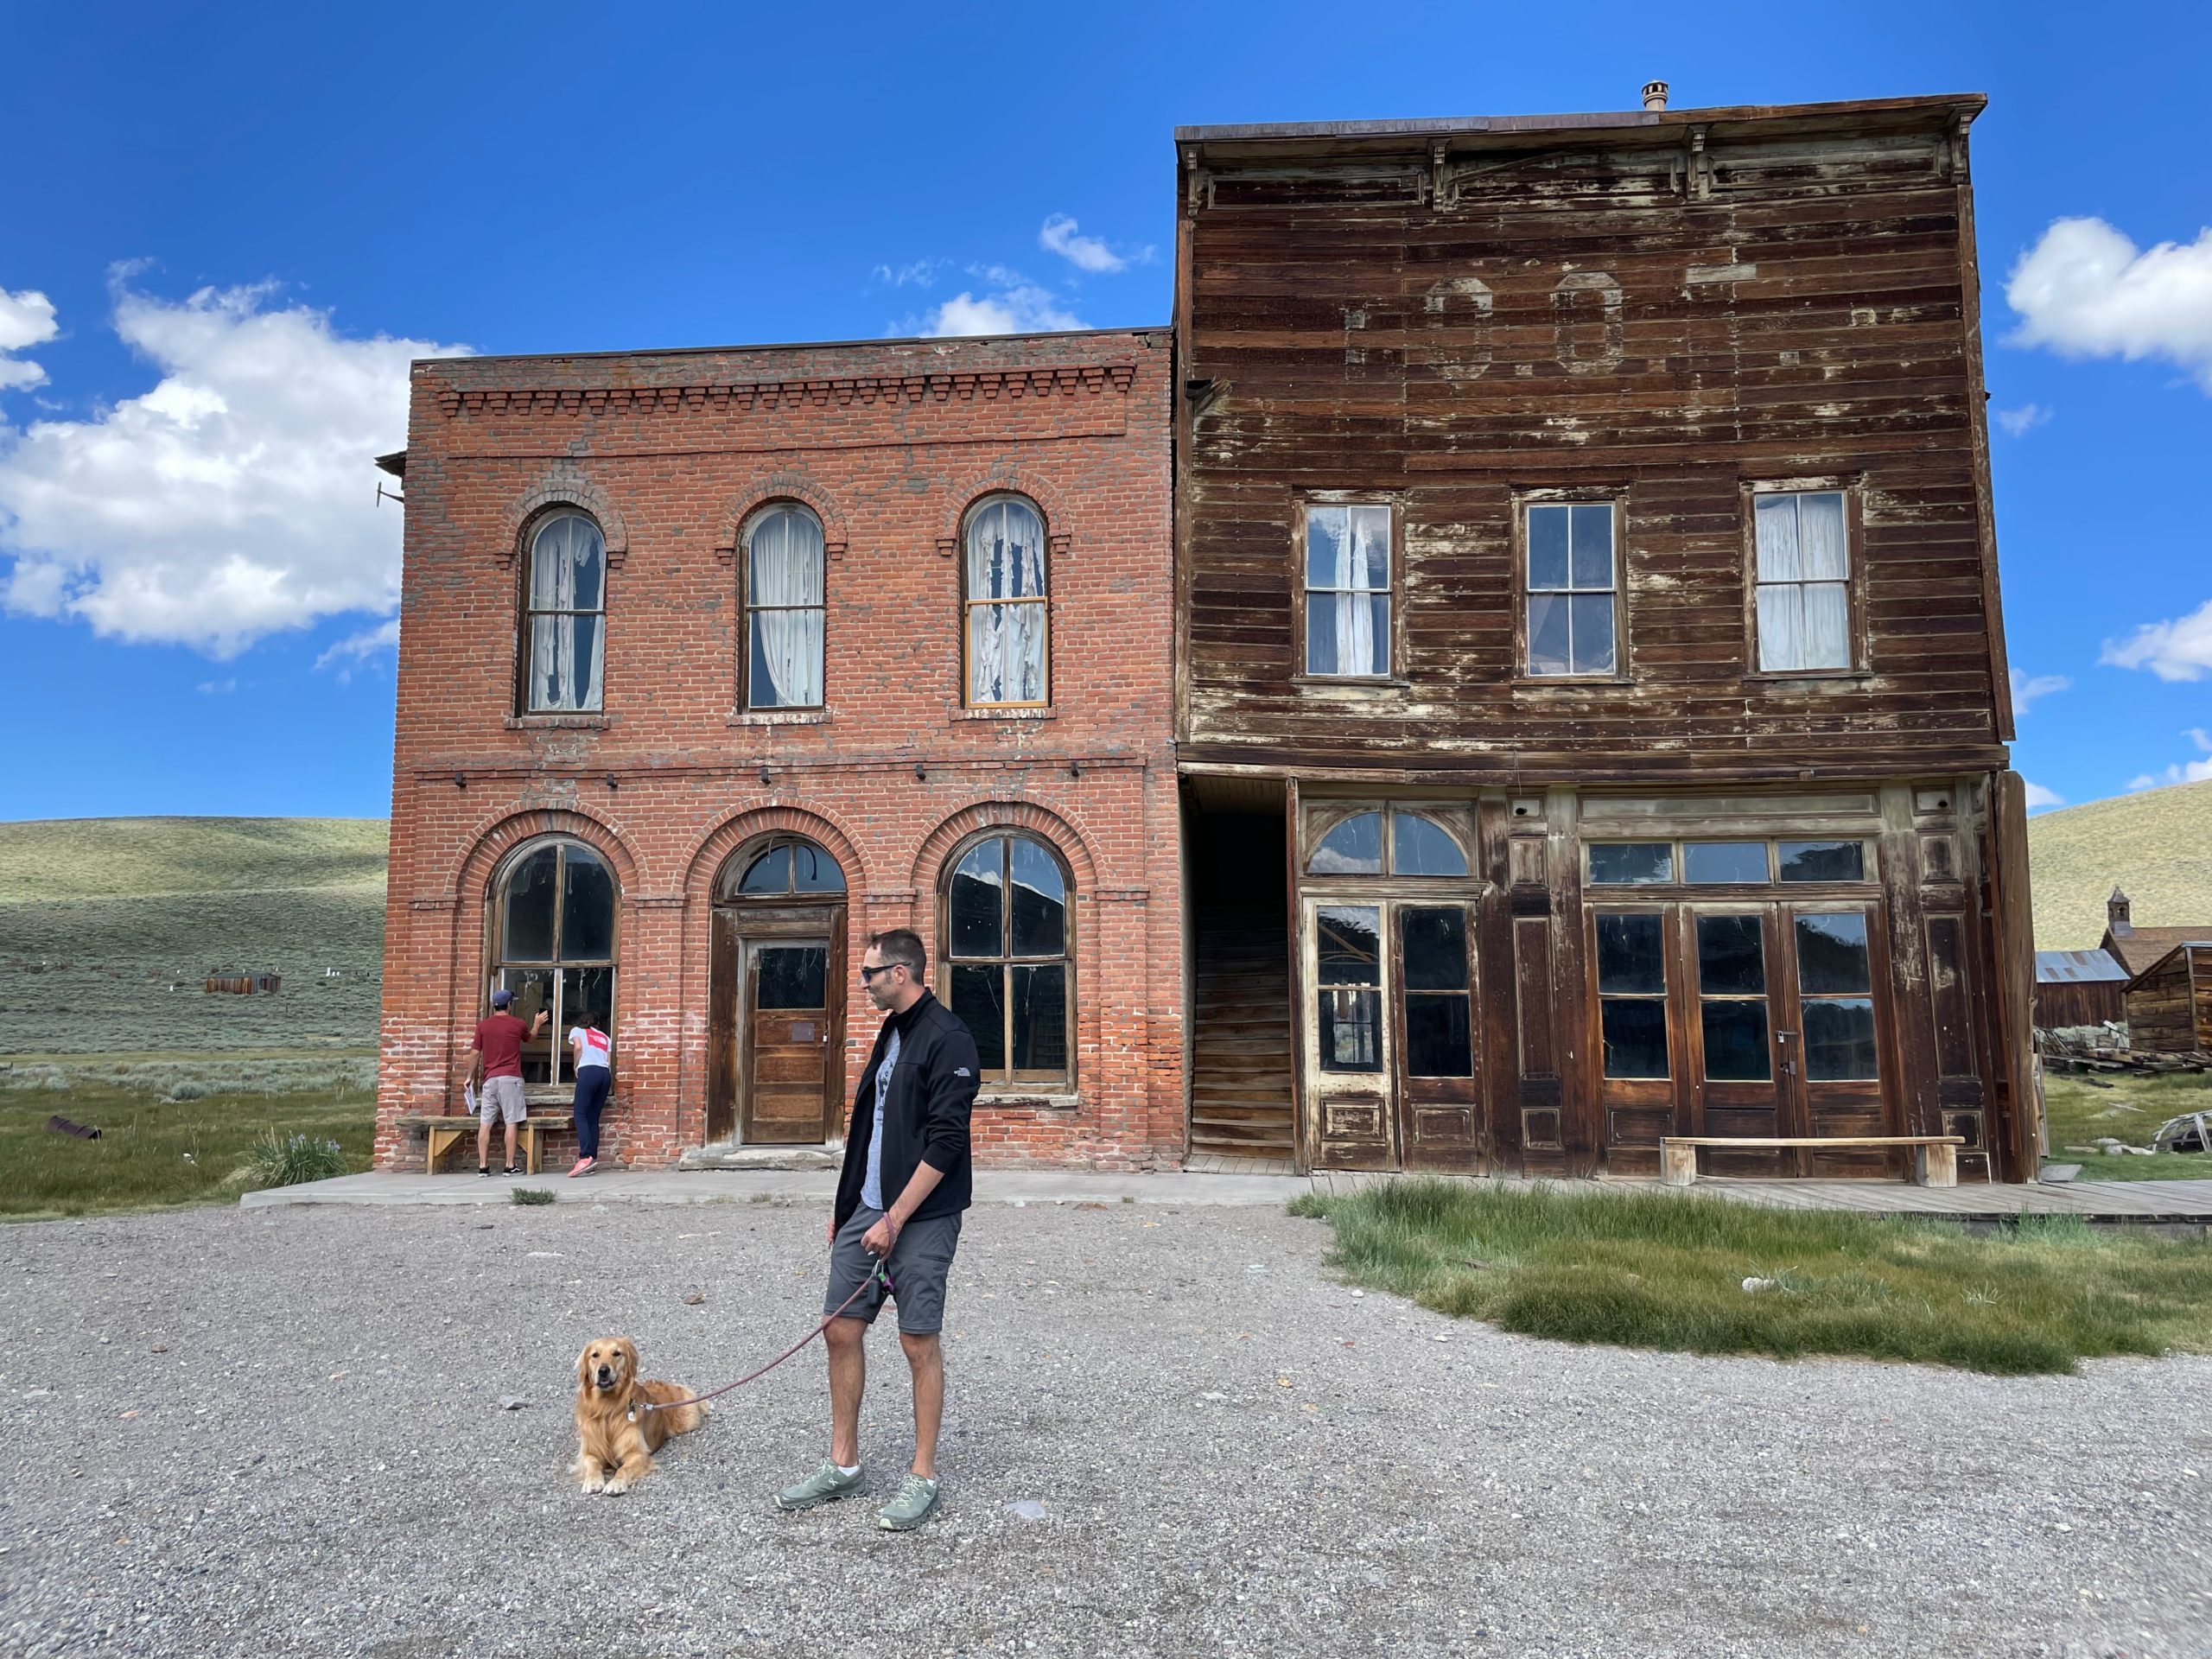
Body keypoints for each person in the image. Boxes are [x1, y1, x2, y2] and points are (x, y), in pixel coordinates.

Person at [775, 927, 978, 1532]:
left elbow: (946, 1142)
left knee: (918, 1342)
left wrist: (896, 1217)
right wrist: (850, 1205)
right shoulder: (891, 1033)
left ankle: (922, 1476)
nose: (862, 983)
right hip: (867, 1209)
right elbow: (869, 1126)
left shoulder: (950, 1039)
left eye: (869, 974)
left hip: (922, 1214)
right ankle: (843, 1466)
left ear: (902, 973)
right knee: (839, 1329)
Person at [461, 987, 548, 1176]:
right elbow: (531, 1039)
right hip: (511, 1078)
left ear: (494, 1005)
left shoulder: (483, 1026)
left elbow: (475, 1053)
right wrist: (537, 1024)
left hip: (490, 1080)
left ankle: (483, 1166)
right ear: (509, 1004)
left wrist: (469, 1077)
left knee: (485, 1123)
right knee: (511, 1121)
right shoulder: (517, 1024)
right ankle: (509, 1165)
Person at [566, 1008, 613, 1178]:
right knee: (593, 1117)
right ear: (596, 1023)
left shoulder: (577, 1030)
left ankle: (585, 1156)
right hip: (604, 1074)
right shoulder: (605, 1037)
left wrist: (575, 1066)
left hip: (588, 1071)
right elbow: (608, 1061)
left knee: (580, 1114)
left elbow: (578, 1047)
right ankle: (592, 1157)